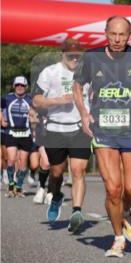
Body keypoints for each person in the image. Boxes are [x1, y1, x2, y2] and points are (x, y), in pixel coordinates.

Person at [74, 16, 131, 258]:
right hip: (103, 131)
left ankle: (124, 212)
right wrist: (83, 114)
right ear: (105, 33)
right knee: (113, 189)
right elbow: (77, 86)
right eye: (113, 34)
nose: (117, 39)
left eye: (122, 35)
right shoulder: (91, 57)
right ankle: (118, 239)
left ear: (129, 35)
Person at [33, 40, 91, 230]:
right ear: (62, 54)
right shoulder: (50, 72)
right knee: (56, 173)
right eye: (70, 56)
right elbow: (36, 99)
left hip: (80, 129)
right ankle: (56, 196)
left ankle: (76, 211)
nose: (75, 59)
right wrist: (57, 100)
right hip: (56, 129)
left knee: (77, 171)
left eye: (78, 56)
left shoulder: (88, 72)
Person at [2, 76, 35, 197]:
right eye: (17, 85)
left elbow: (36, 112)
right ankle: (11, 186)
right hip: (11, 131)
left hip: (26, 133)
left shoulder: (30, 99)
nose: (19, 87)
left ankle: (19, 187)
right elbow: (1, 109)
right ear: (14, 86)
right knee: (11, 159)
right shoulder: (7, 98)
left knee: (23, 162)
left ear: (26, 87)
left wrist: (35, 119)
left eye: (22, 85)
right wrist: (2, 119)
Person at [27, 108, 51, 204]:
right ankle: (41, 188)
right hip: (41, 138)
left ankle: (50, 192)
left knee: (56, 167)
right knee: (44, 163)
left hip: (58, 138)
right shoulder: (40, 105)